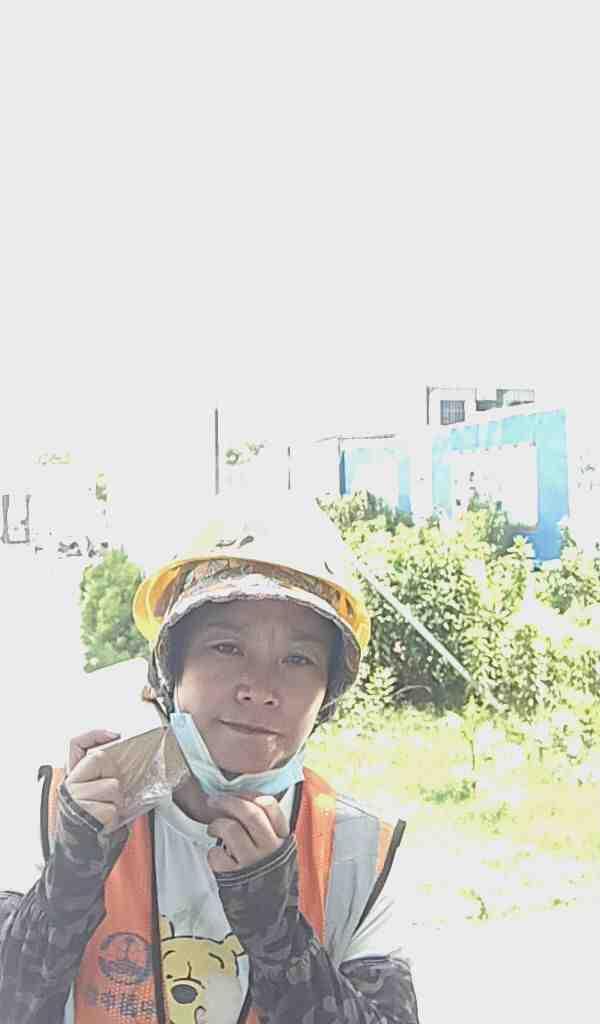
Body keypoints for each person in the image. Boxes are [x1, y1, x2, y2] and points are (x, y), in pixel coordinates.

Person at [0, 493, 420, 1023]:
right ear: (169, 674)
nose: (260, 689)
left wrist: (278, 938)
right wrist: (71, 877)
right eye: (227, 647)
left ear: (327, 696)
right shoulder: (67, 811)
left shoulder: (358, 850)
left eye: (298, 659)